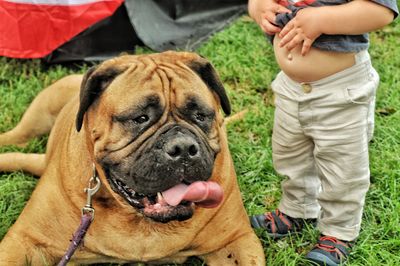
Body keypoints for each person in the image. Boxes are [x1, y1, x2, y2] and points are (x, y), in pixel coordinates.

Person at [247, 0, 398, 265]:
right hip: (290, 87)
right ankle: (297, 210)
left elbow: (381, 11)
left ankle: (339, 231)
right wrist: (259, 8)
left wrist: (322, 19)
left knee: (343, 169)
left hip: (341, 91)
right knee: (290, 156)